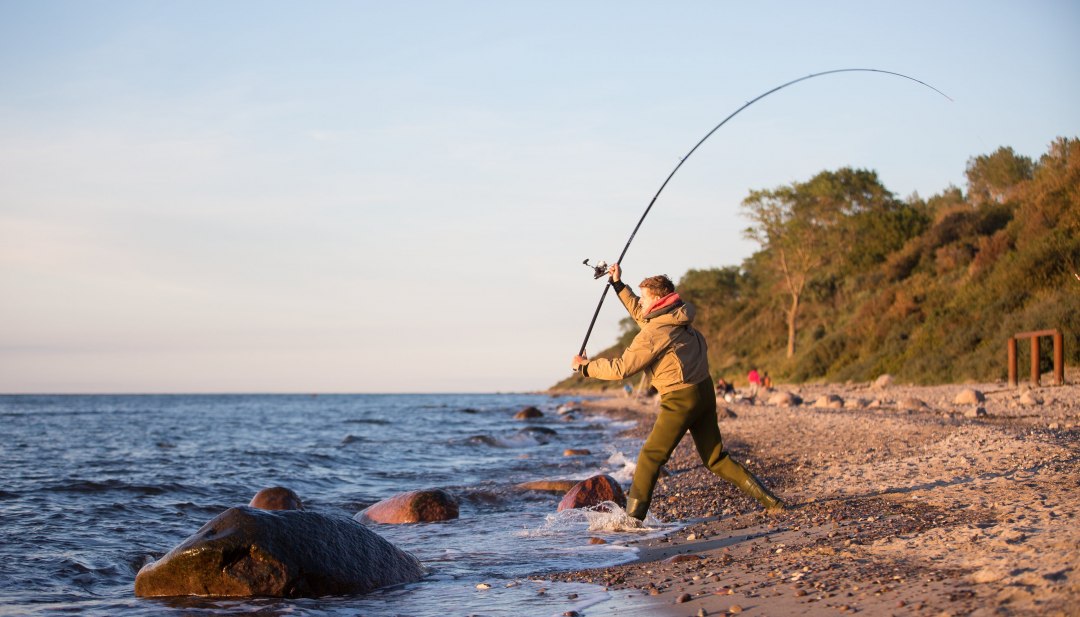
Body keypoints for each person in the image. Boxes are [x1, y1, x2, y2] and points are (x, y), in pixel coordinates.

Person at [571, 264, 784, 521]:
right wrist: (618, 285)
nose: (642, 303)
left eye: (646, 298)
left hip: (681, 399)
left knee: (650, 458)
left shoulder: (655, 332)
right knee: (715, 458)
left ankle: (632, 521)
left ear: (658, 300)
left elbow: (622, 369)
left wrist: (585, 368)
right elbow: (642, 313)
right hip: (704, 391)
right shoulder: (677, 314)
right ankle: (772, 502)